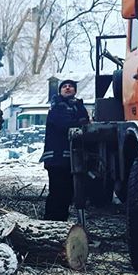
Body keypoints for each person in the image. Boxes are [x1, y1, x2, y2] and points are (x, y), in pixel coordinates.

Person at [40, 79, 89, 221]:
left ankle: (61, 221)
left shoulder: (78, 105)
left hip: (68, 158)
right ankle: (50, 222)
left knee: (68, 192)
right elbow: (64, 124)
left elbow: (85, 121)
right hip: (56, 158)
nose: (68, 88)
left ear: (75, 91)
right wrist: (79, 122)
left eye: (71, 87)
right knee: (57, 191)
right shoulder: (57, 106)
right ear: (60, 91)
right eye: (64, 87)